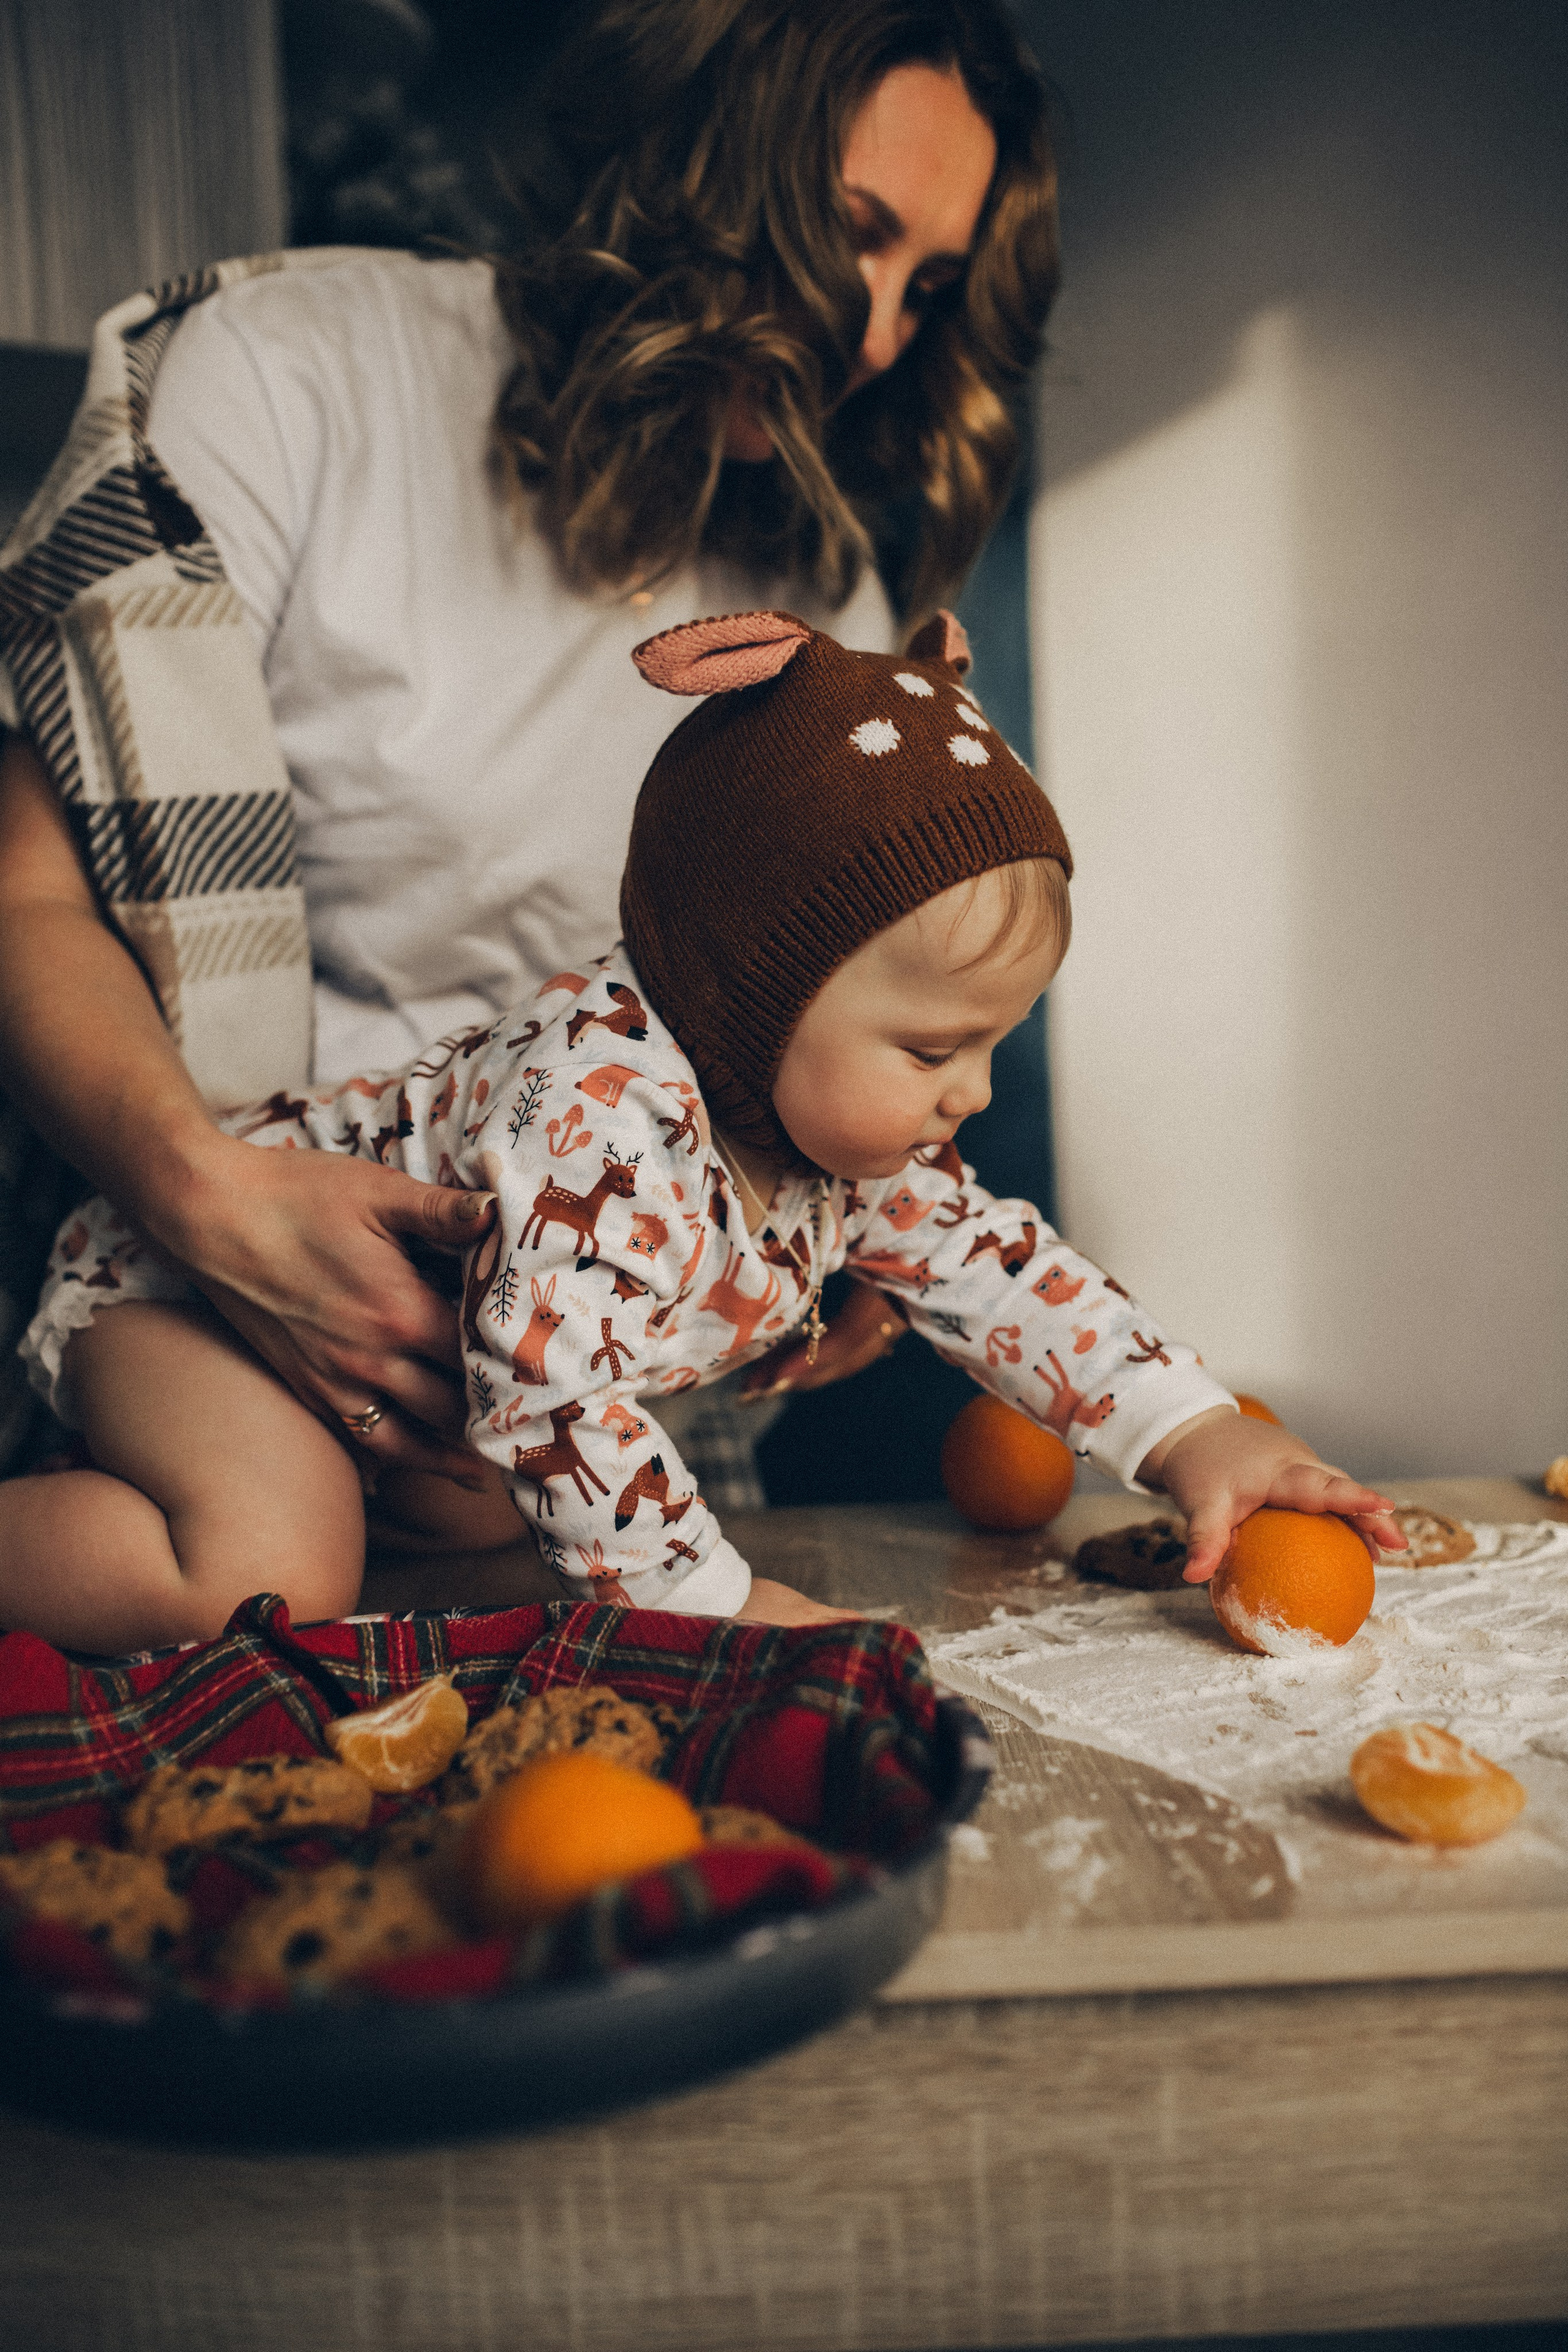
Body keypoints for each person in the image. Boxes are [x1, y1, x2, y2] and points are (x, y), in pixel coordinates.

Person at [0, 0, 1058, 1510]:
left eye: (928, 285)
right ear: (692, 155)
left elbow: (848, 1004)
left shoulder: (820, 597)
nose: (880, 330)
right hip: (228, 1288)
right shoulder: (292, 374)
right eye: (849, 230)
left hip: (578, 1375)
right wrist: (214, 1204)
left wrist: (853, 1191)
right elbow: (29, 898)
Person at [0, 611, 1406, 1653]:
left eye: (992, 1044)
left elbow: (998, 1273)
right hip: (190, 1297)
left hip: (406, 1407)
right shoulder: (596, 1110)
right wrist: (713, 1604)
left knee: (516, 1553)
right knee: (267, 1569)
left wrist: (1191, 1434)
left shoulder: (849, 1146)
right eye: (932, 1049)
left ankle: (374, 1603)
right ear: (747, 992)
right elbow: (551, 1395)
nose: (968, 1094)